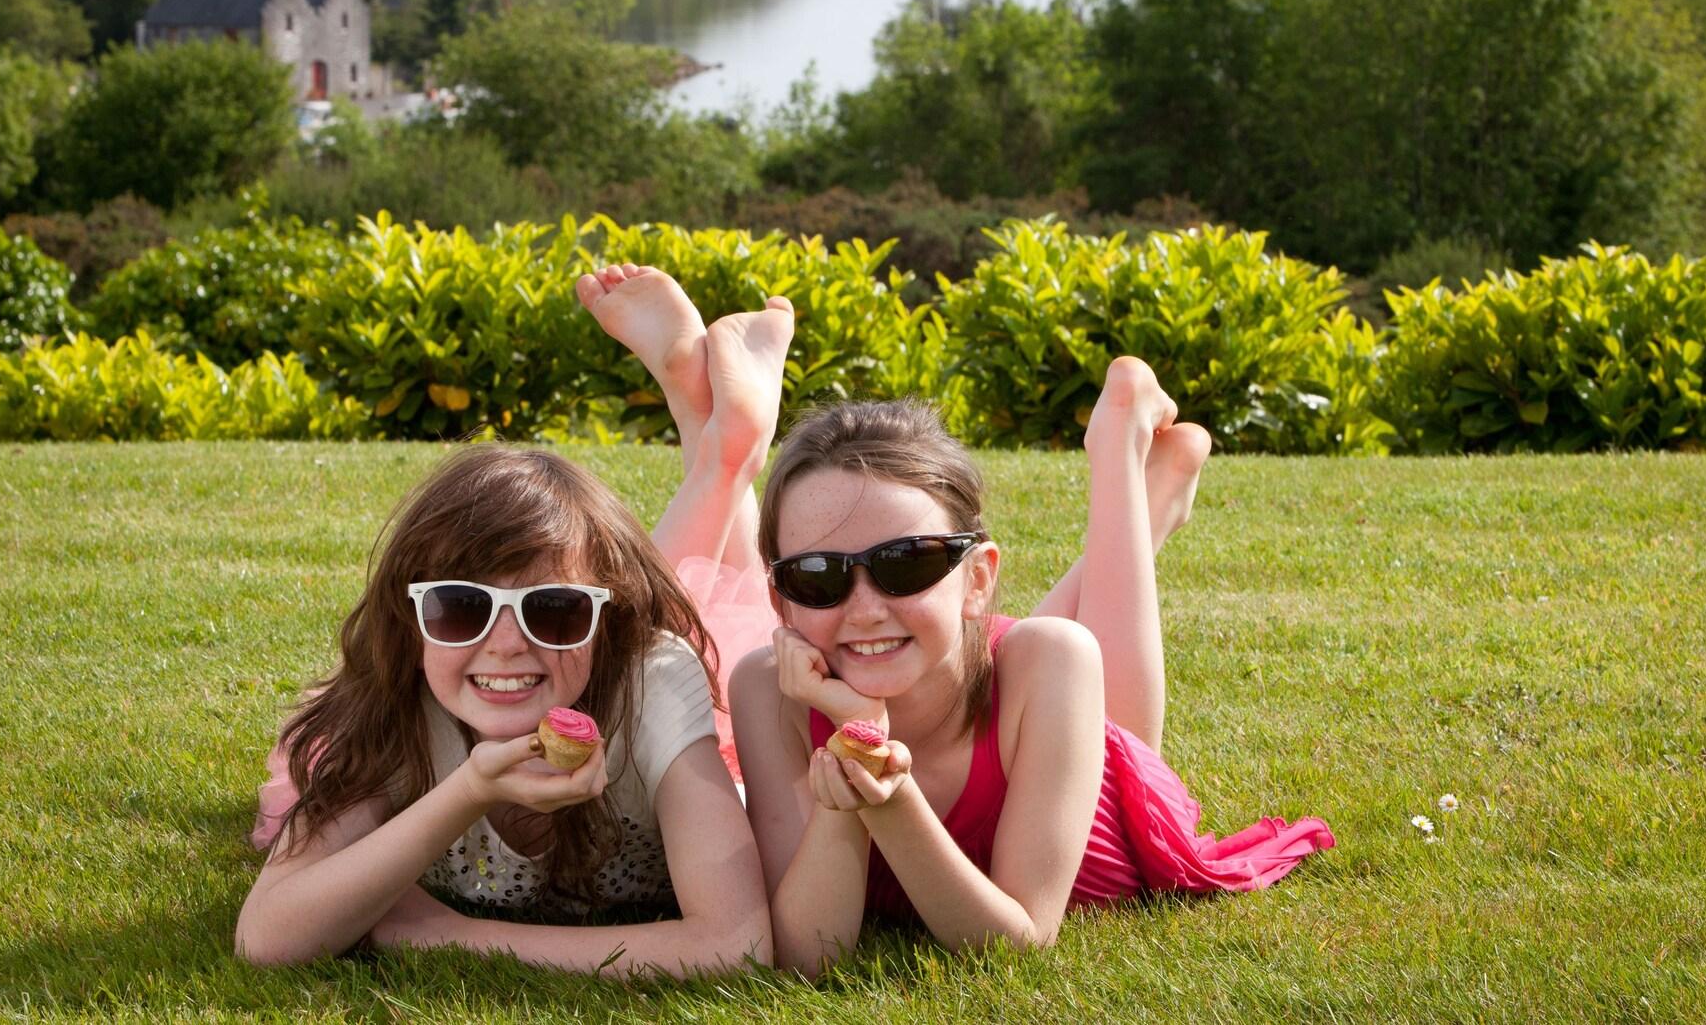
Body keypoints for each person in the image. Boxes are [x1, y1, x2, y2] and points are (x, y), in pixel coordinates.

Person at [234, 287, 797, 975]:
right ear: (410, 620)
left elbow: (737, 944)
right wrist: (469, 788)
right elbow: (265, 936)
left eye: (554, 610)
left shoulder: (652, 681)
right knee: (651, 579)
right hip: (581, 660)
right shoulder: (403, 699)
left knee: (691, 602)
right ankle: (716, 438)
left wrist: (451, 932)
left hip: (636, 678)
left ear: (604, 625)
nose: (504, 641)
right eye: (460, 607)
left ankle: (721, 445)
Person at [728, 360, 1335, 975]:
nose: (864, 610)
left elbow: (1014, 942)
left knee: (1067, 657)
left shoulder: (1050, 663)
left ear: (978, 578)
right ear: (780, 601)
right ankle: (1151, 504)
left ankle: (1119, 446)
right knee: (1020, 652)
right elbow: (808, 956)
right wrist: (858, 747)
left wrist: (887, 795)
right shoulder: (766, 690)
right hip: (988, 680)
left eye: (906, 563)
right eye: (818, 575)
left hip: (1101, 805)